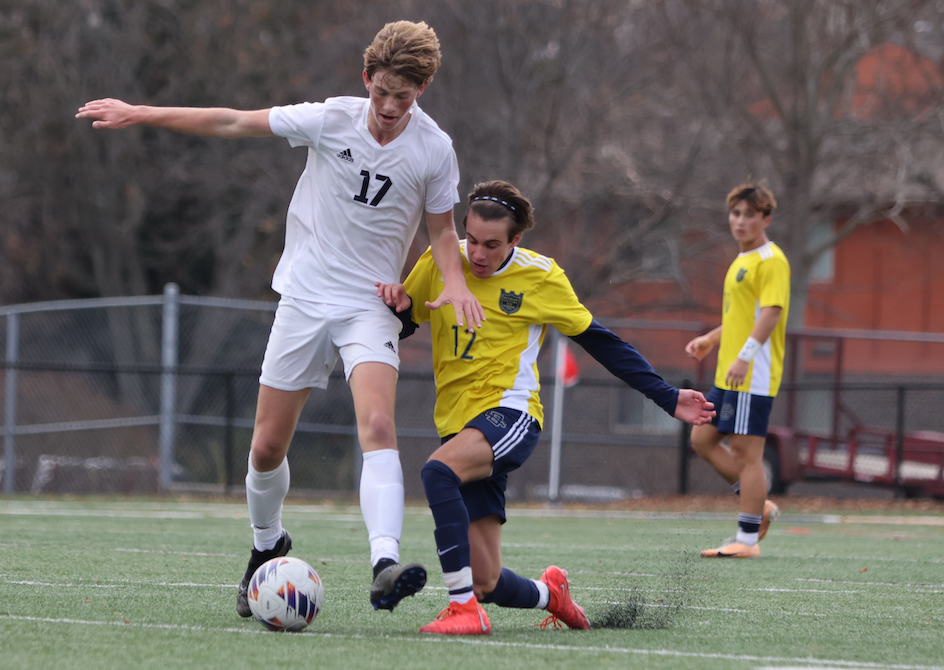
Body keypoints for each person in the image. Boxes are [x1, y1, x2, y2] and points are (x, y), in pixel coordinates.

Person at [77, 20, 485, 614]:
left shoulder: (434, 148)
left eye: (404, 96)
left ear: (421, 91)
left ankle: (383, 562)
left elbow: (443, 230)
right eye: (382, 92)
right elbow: (233, 121)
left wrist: (453, 282)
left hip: (367, 306)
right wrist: (139, 112)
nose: (391, 106)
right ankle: (266, 545)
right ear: (366, 78)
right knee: (267, 447)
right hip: (303, 297)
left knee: (378, 427)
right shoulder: (330, 119)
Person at [377, 180, 716, 635]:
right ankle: (550, 594)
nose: (477, 253)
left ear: (516, 240)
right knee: (487, 580)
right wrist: (392, 307)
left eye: (493, 244)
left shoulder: (541, 276)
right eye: (472, 240)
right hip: (457, 424)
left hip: (510, 414)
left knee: (437, 472)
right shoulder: (441, 260)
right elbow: (406, 321)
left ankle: (461, 611)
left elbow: (601, 342)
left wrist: (667, 396)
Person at [684, 182, 790, 558]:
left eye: (749, 214)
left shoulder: (771, 260)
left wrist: (744, 357)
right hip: (728, 374)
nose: (740, 221)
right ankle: (756, 503)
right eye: (736, 213)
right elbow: (741, 317)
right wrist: (712, 339)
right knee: (702, 440)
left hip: (752, 374)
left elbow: (771, 315)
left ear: (766, 219)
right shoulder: (741, 260)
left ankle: (747, 541)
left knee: (747, 455)